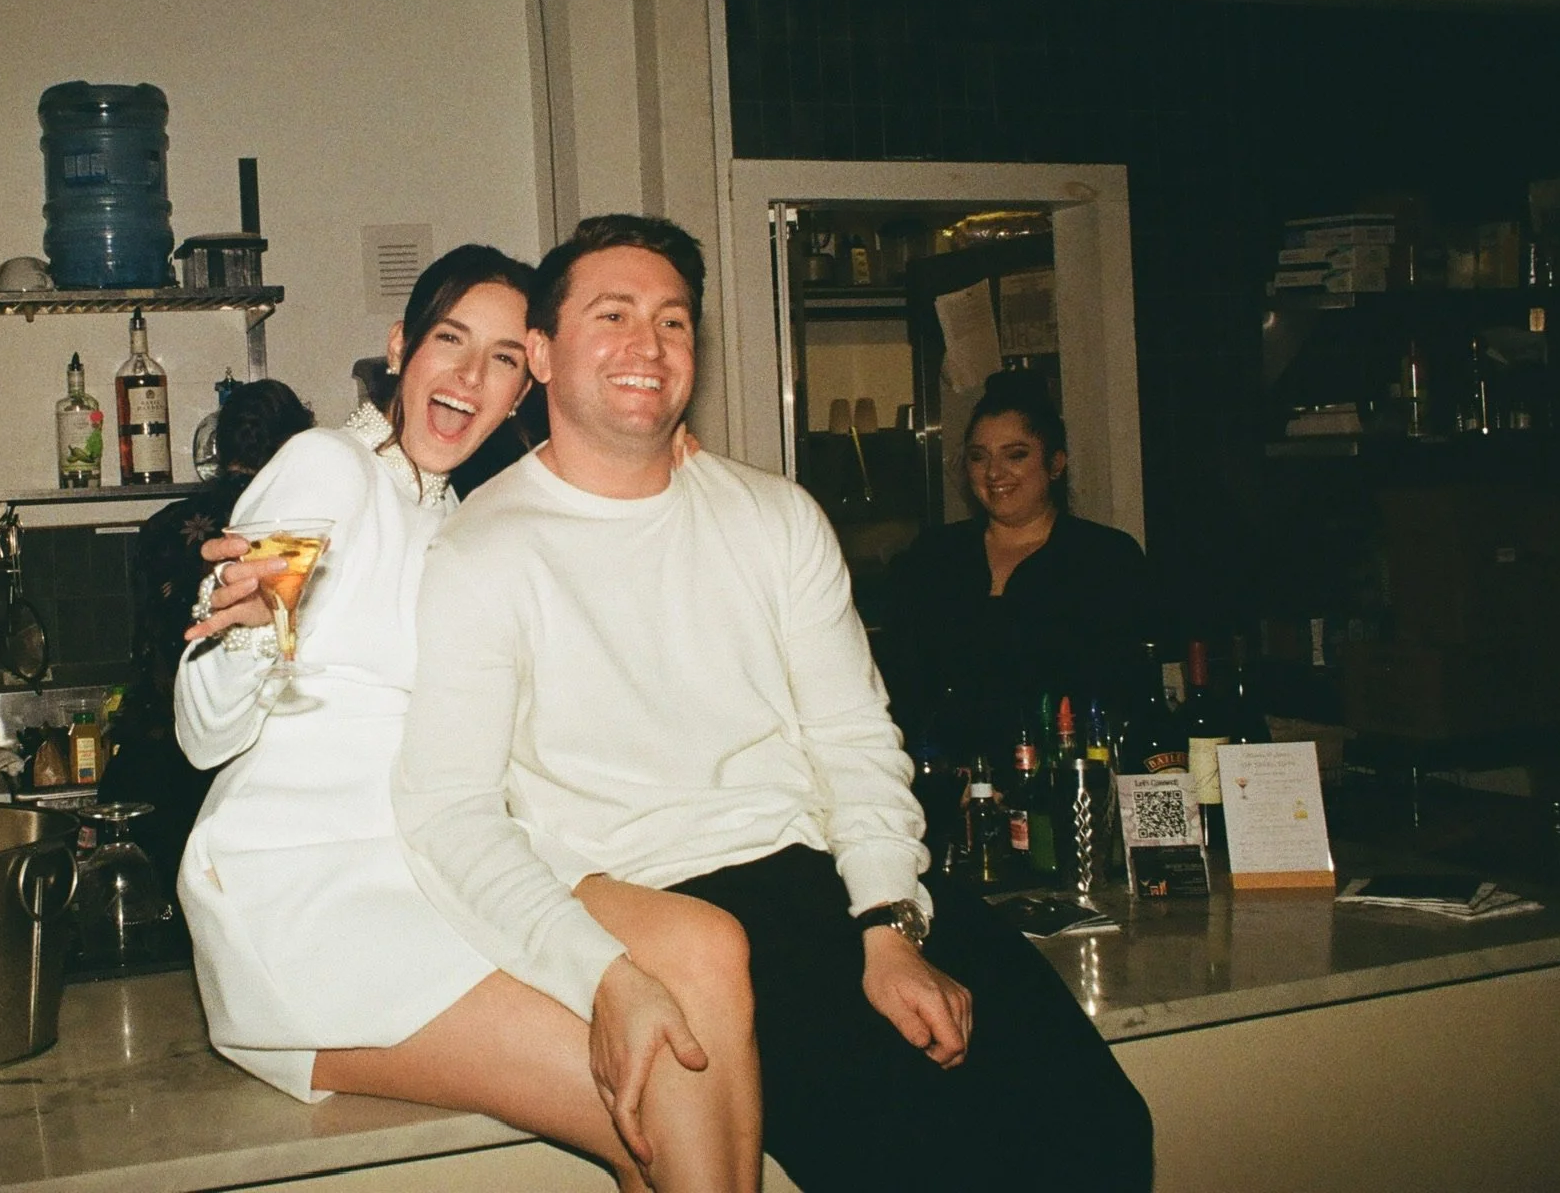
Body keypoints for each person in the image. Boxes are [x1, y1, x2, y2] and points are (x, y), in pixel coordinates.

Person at [394, 214, 1153, 1192]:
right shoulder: (481, 551)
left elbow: (854, 741)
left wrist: (888, 923)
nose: (648, 344)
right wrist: (592, 967)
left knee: (1100, 1125)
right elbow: (450, 815)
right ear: (541, 353)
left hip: (835, 877)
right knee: (937, 1156)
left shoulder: (776, 517)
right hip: (670, 911)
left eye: (673, 321)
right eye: (612, 315)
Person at [176, 244, 760, 1192]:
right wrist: (245, 635)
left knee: (705, 945)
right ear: (400, 349)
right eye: (450, 341)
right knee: (658, 1092)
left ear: (526, 382)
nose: (469, 376)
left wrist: (671, 483)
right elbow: (202, 735)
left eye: (502, 358)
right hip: (305, 896)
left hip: (432, 866)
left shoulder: (465, 517)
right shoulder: (326, 467)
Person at [877, 370, 1157, 768]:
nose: (994, 473)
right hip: (947, 786)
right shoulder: (934, 556)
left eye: (1016, 455)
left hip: (1063, 781)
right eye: (979, 457)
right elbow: (898, 686)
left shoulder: (1104, 558)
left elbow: (1124, 697)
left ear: (1056, 463)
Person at [115, 379, 315, 891]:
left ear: (220, 449)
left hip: (154, 758)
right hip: (243, 770)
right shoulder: (287, 534)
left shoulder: (162, 527)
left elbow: (150, 644)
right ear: (295, 446)